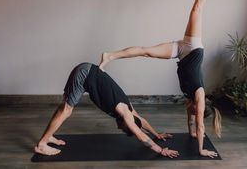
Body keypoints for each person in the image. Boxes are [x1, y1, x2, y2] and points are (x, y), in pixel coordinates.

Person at [99, 0, 221, 158]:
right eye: (193, 110)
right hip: (193, 48)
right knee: (197, 9)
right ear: (200, 106)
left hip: (181, 54)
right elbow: (200, 124)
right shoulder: (199, 96)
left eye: (191, 111)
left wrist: (191, 135)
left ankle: (110, 56)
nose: (190, 112)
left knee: (146, 51)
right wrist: (201, 149)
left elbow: (192, 123)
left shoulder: (191, 102)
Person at [34, 62, 179, 158]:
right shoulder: (125, 113)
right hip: (84, 74)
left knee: (64, 108)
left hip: (87, 71)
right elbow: (141, 136)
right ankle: (41, 145)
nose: (119, 128)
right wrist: (161, 150)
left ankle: (49, 136)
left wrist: (156, 134)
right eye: (123, 128)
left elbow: (142, 121)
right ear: (127, 123)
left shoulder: (129, 108)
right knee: (66, 110)